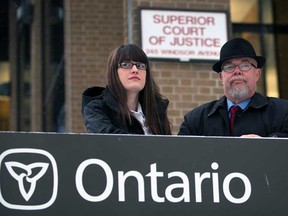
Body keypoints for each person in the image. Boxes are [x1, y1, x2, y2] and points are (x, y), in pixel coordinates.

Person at [178, 37, 288, 137]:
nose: (237, 72)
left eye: (245, 65)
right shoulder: (195, 120)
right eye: (229, 67)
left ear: (257, 74)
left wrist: (266, 143)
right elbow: (181, 154)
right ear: (221, 77)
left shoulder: (283, 113)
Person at [82, 44, 172, 135]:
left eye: (140, 65)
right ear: (114, 72)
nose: (135, 70)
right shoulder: (96, 109)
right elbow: (112, 142)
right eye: (126, 64)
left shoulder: (156, 110)